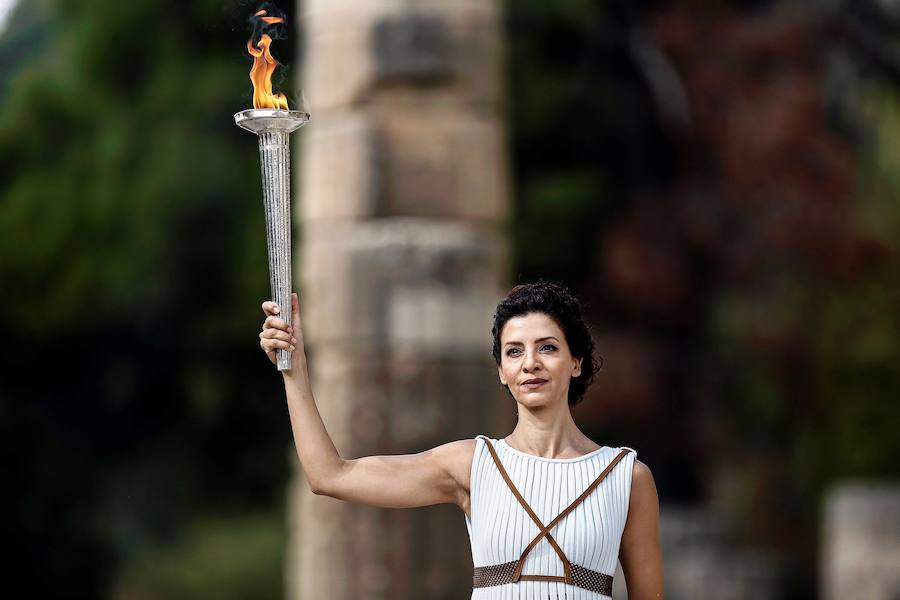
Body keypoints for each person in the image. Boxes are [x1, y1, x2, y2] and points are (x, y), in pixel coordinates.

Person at [258, 281, 664, 599]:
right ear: (502, 371)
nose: (531, 363)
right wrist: (295, 374)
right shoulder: (473, 463)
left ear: (576, 361)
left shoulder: (627, 478)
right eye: (514, 352)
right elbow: (330, 476)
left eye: (547, 348)